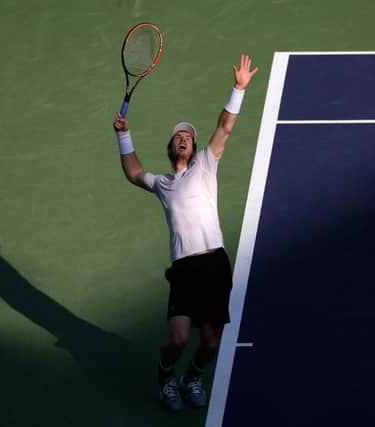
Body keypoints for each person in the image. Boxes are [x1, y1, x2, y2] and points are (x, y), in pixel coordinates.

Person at [112, 54, 258, 412]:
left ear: (194, 148)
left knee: (210, 341)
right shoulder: (162, 184)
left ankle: (192, 377)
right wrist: (124, 135)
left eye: (188, 137)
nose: (183, 139)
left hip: (214, 265)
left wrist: (238, 89)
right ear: (171, 146)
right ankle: (166, 379)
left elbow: (224, 128)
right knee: (176, 339)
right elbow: (133, 173)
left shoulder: (207, 165)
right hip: (183, 270)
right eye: (177, 137)